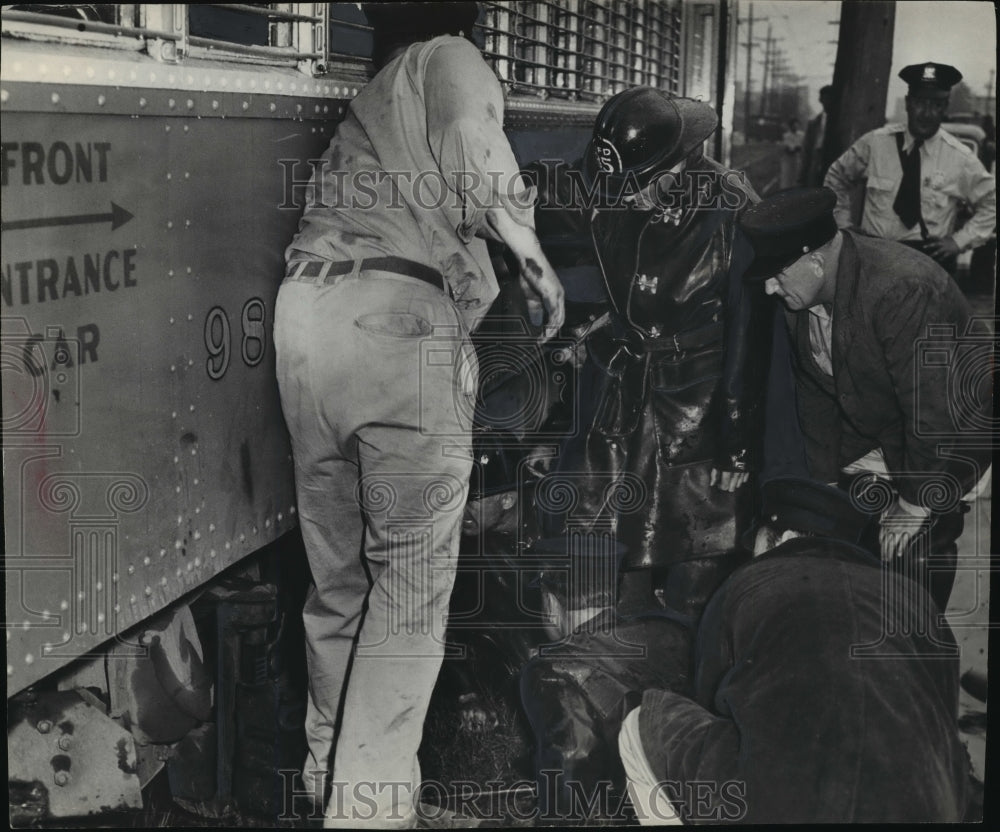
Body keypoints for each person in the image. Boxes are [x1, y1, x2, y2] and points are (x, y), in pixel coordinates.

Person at [273, 2, 565, 826]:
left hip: (305, 319)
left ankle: (325, 773)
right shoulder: (450, 58)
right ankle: (366, 813)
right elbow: (479, 144)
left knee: (339, 582)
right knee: (407, 591)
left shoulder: (376, 104)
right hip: (395, 327)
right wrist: (535, 263)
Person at [540, 87, 769, 623]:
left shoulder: (732, 207)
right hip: (624, 381)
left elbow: (751, 334)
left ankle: (680, 671)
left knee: (694, 550)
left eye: (640, 188)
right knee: (590, 529)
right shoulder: (611, 180)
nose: (628, 199)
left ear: (681, 164)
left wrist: (737, 445)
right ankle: (601, 654)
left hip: (699, 398)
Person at [618, 477, 970, 824]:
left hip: (786, 806)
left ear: (782, 538)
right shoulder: (917, 599)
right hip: (926, 807)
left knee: (642, 720)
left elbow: (709, 698)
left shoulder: (747, 584)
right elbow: (944, 718)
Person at [737, 187, 993, 612]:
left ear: (815, 262)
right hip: (881, 426)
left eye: (777, 275)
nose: (768, 289)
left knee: (912, 556)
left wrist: (913, 505)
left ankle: (921, 657)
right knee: (827, 545)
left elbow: (932, 412)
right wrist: (825, 492)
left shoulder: (902, 290)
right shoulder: (800, 293)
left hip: (950, 436)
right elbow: (814, 396)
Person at [823, 62, 996, 273]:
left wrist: (959, 241)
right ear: (908, 103)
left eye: (936, 105)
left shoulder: (961, 159)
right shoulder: (875, 144)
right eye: (920, 102)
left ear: (945, 108)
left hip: (928, 267)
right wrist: (844, 226)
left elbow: (992, 203)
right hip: (874, 260)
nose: (927, 113)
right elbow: (836, 178)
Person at [799, 84, 833, 186]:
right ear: (821, 100)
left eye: (829, 98)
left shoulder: (839, 121)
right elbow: (807, 149)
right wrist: (803, 174)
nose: (827, 101)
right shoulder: (814, 123)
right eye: (824, 98)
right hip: (815, 161)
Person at [778, 117, 804, 189]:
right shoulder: (786, 136)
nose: (795, 127)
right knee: (786, 177)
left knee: (795, 177)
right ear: (790, 126)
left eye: (797, 125)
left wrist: (796, 148)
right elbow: (787, 148)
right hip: (787, 160)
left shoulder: (801, 135)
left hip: (796, 159)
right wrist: (795, 148)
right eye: (793, 125)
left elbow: (801, 147)